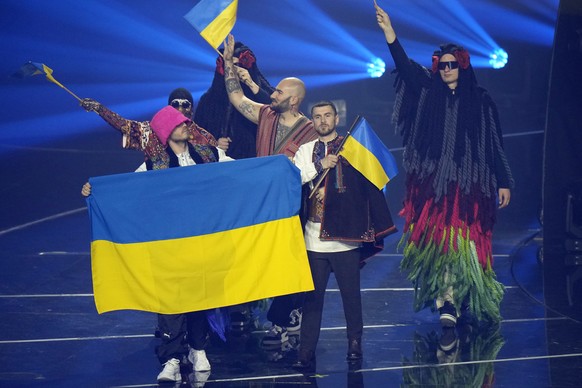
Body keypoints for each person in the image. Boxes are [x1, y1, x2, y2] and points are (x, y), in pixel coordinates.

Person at [374, 2, 514, 339]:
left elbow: (495, 144)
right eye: (443, 65)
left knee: (465, 247)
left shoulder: (480, 101)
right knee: (441, 245)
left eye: (453, 65)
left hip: (472, 189)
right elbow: (405, 68)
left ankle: (463, 300)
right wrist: (390, 34)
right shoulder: (427, 91)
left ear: (462, 68)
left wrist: (504, 180)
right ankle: (446, 302)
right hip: (433, 186)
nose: (448, 69)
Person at [80, 104, 226, 384]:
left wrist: (276, 170)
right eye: (179, 123)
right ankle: (172, 357)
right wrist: (95, 191)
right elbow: (127, 190)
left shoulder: (209, 154)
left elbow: (242, 172)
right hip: (169, 243)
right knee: (171, 299)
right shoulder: (154, 164)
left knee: (201, 294)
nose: (186, 125)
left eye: (185, 121)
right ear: (167, 130)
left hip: (202, 239)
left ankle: (198, 348)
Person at [222, 33, 318, 345]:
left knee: (289, 262)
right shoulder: (265, 114)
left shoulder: (309, 131)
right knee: (259, 259)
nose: (271, 93)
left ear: (294, 99)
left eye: (278, 91)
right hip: (260, 204)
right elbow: (237, 100)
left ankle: (284, 318)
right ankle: (248, 310)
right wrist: (227, 63)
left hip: (291, 206)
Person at [291, 101, 397, 368]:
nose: (323, 120)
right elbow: (295, 179)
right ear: (312, 121)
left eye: (327, 115)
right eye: (317, 117)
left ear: (336, 118)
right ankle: (306, 350)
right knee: (312, 300)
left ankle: (354, 344)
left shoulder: (353, 149)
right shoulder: (305, 151)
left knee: (351, 297)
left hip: (345, 238)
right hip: (312, 239)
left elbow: (368, 188)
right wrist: (320, 164)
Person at [195, 41, 275, 160]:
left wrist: (251, 83)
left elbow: (275, 112)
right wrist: (214, 143)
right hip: (223, 166)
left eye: (237, 65)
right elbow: (197, 138)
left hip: (257, 161)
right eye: (229, 66)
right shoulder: (208, 101)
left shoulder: (261, 93)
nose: (233, 71)